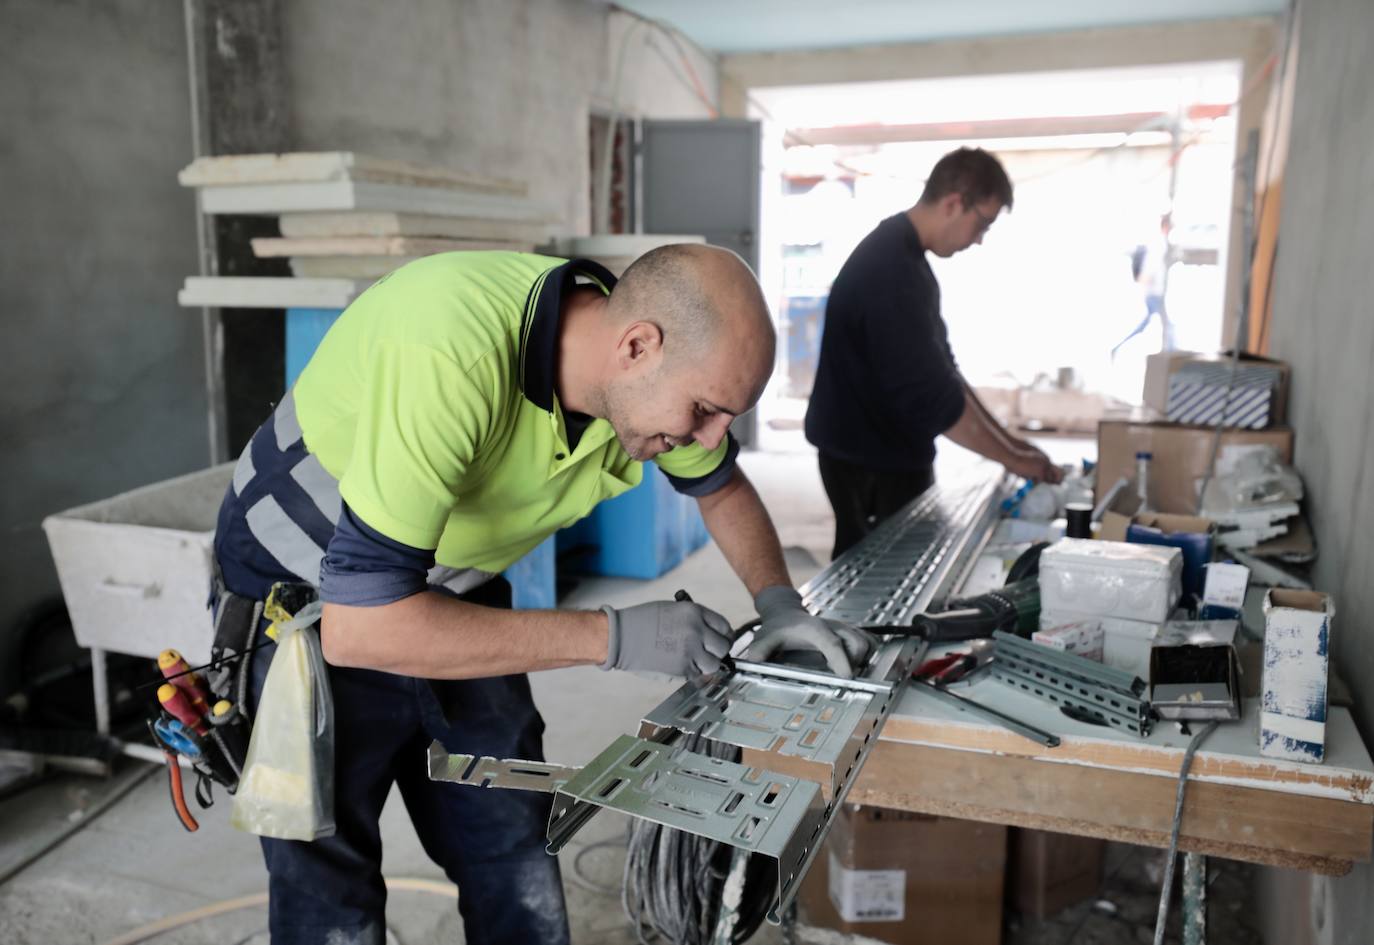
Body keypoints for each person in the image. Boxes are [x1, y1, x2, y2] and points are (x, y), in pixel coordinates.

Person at [212, 244, 868, 945]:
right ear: (637, 345)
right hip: (305, 598)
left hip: (446, 581)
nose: (706, 438)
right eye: (704, 410)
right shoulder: (449, 350)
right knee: (328, 890)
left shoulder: (636, 379)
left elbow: (721, 486)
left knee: (513, 839)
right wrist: (609, 636)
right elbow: (361, 627)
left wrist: (780, 602)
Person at [804, 147, 1064, 560]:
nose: (979, 239)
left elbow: (946, 374)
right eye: (983, 224)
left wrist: (1013, 446)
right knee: (872, 578)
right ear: (953, 203)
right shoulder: (891, 272)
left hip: (884, 448)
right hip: (865, 458)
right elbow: (933, 401)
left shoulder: (908, 259)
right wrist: (1011, 459)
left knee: (900, 567)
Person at [1113, 214, 1175, 357]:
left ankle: (1118, 347)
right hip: (1154, 292)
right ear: (1166, 227)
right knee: (1166, 325)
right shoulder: (1159, 244)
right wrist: (1145, 284)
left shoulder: (1160, 243)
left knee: (1150, 324)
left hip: (1155, 292)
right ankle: (1171, 354)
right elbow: (1151, 268)